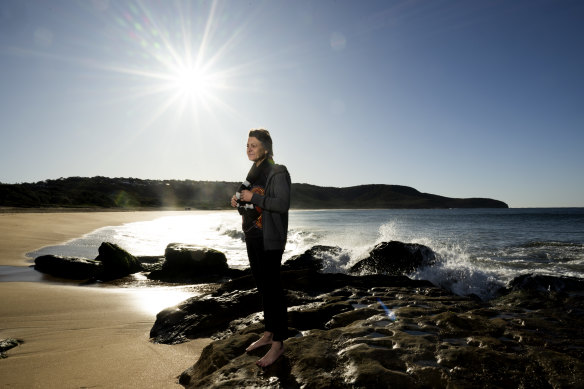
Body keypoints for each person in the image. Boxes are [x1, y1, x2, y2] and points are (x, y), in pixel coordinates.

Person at [230, 129, 291, 368]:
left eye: (254, 145)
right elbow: (248, 208)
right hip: (253, 237)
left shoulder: (278, 171)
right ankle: (268, 333)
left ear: (265, 148)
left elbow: (282, 204)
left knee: (273, 290)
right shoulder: (252, 174)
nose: (249, 149)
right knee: (263, 287)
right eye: (247, 145)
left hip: (270, 239)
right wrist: (237, 201)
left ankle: (279, 344)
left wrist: (251, 198)